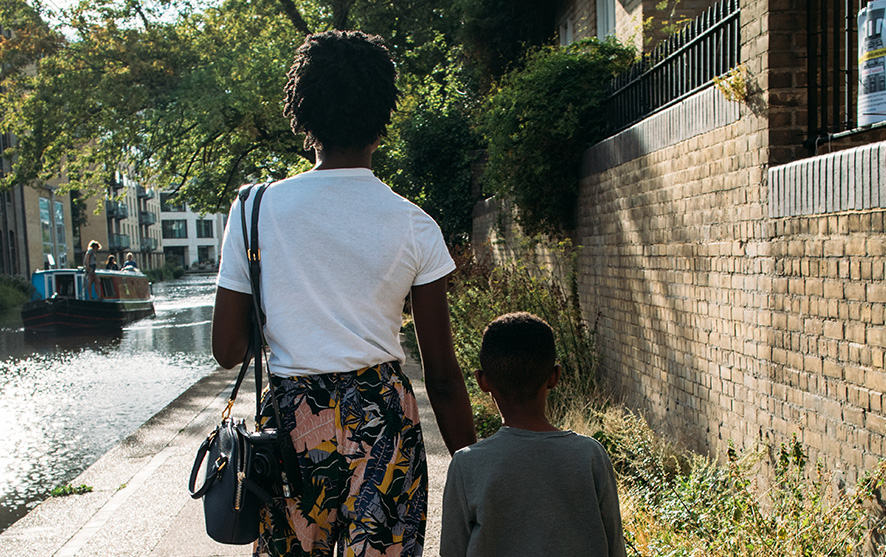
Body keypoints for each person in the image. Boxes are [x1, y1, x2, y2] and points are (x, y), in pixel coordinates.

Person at [212, 30, 476, 557]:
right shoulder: (414, 225)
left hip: (291, 424)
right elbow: (442, 378)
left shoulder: (253, 210)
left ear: (303, 116)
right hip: (384, 424)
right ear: (382, 120)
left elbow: (227, 350)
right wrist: (475, 473)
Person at [440, 312, 626, 557]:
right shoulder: (590, 455)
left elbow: (452, 551)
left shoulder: (467, 464)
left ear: (483, 381)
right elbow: (615, 548)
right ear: (554, 376)